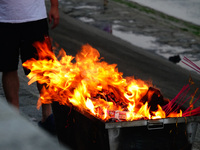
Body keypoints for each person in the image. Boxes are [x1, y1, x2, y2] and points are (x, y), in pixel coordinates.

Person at [0, 0, 59, 134]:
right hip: (3, 19)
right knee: (8, 68)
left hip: (35, 17)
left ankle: (47, 115)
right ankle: (14, 116)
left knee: (42, 68)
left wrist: (54, 6)